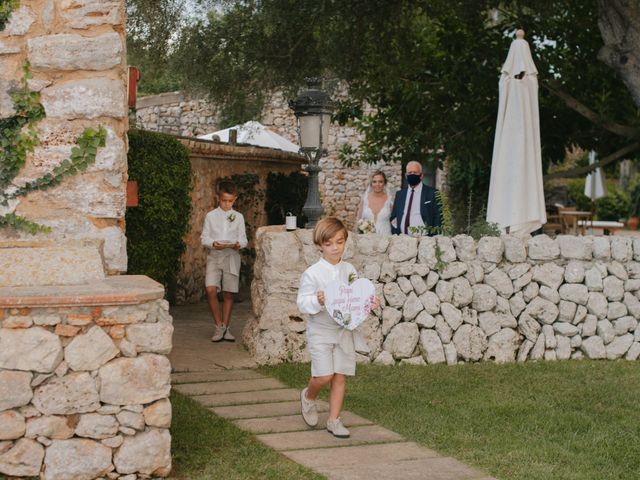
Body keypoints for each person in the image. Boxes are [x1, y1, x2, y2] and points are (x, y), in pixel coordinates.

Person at [296, 217, 379, 438]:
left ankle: (334, 420)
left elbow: (355, 297)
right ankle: (308, 397)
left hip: (344, 331)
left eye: (339, 242)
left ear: (345, 242)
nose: (335, 248)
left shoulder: (349, 269)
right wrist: (318, 300)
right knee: (324, 376)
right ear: (320, 245)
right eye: (329, 243)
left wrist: (368, 303)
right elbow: (302, 302)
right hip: (321, 331)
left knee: (340, 376)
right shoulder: (313, 273)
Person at [201, 180, 248, 342]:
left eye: (230, 201)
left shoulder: (239, 217)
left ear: (234, 199)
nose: (226, 204)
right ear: (218, 198)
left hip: (231, 257)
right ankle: (218, 325)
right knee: (211, 289)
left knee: (228, 293)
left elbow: (244, 240)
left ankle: (225, 328)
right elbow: (204, 237)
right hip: (214, 256)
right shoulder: (210, 216)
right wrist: (212, 243)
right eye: (223, 200)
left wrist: (237, 245)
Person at [389, 161, 442, 235]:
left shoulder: (432, 193)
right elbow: (394, 217)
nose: (412, 175)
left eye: (415, 172)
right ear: (405, 175)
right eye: (410, 173)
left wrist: (433, 238)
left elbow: (438, 218)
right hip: (402, 240)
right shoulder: (400, 194)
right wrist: (396, 233)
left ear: (421, 175)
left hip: (424, 240)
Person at [355, 170, 393, 235]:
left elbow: (395, 221)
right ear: (371, 184)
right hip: (367, 239)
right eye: (374, 182)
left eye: (380, 182)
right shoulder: (365, 199)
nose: (377, 184)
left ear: (384, 183)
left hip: (385, 237)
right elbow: (358, 220)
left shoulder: (390, 200)